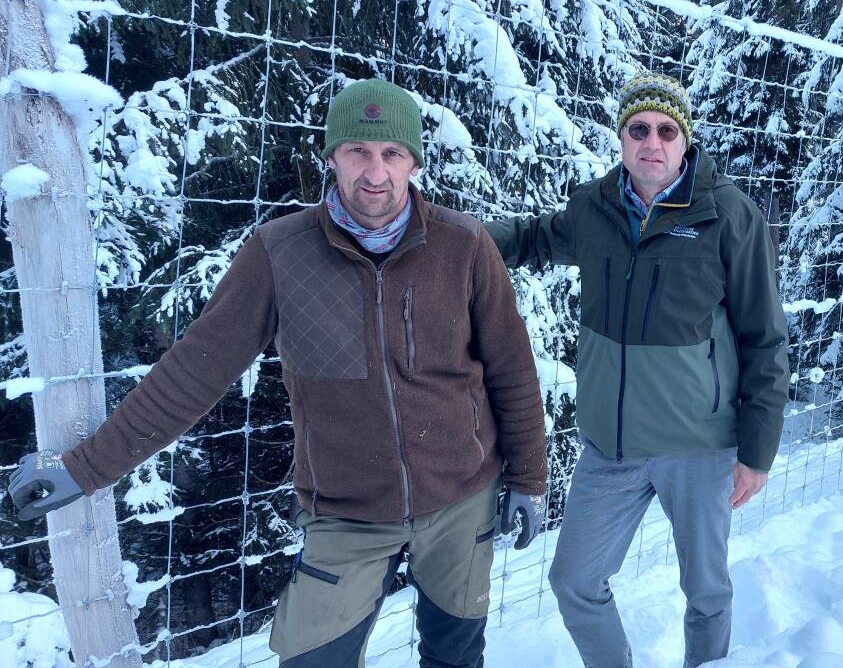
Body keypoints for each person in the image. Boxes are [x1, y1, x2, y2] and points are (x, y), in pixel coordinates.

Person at [8, 79, 548, 668]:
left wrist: (528, 477)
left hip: (461, 499)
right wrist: (85, 468)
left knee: (455, 654)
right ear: (332, 157)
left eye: (392, 153)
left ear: (413, 161)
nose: (375, 172)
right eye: (358, 152)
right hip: (346, 512)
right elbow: (192, 373)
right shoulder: (279, 252)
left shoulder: (463, 244)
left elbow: (511, 369)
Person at [485, 71, 789, 668]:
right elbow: (532, 238)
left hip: (698, 447)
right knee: (574, 580)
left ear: (685, 140)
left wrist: (758, 451)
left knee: (706, 593)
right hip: (611, 447)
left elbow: (765, 337)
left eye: (666, 130)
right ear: (622, 138)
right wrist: (459, 240)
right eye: (639, 129)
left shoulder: (727, 216)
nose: (652, 141)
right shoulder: (593, 210)